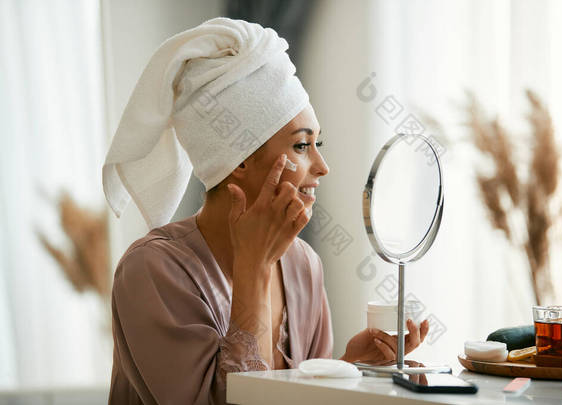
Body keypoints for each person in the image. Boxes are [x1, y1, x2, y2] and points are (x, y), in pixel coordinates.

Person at [102, 17, 429, 405]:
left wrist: (351, 366)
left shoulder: (303, 264)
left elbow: (297, 401)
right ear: (239, 159)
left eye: (316, 143)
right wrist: (253, 266)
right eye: (302, 146)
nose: (323, 167)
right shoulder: (152, 270)